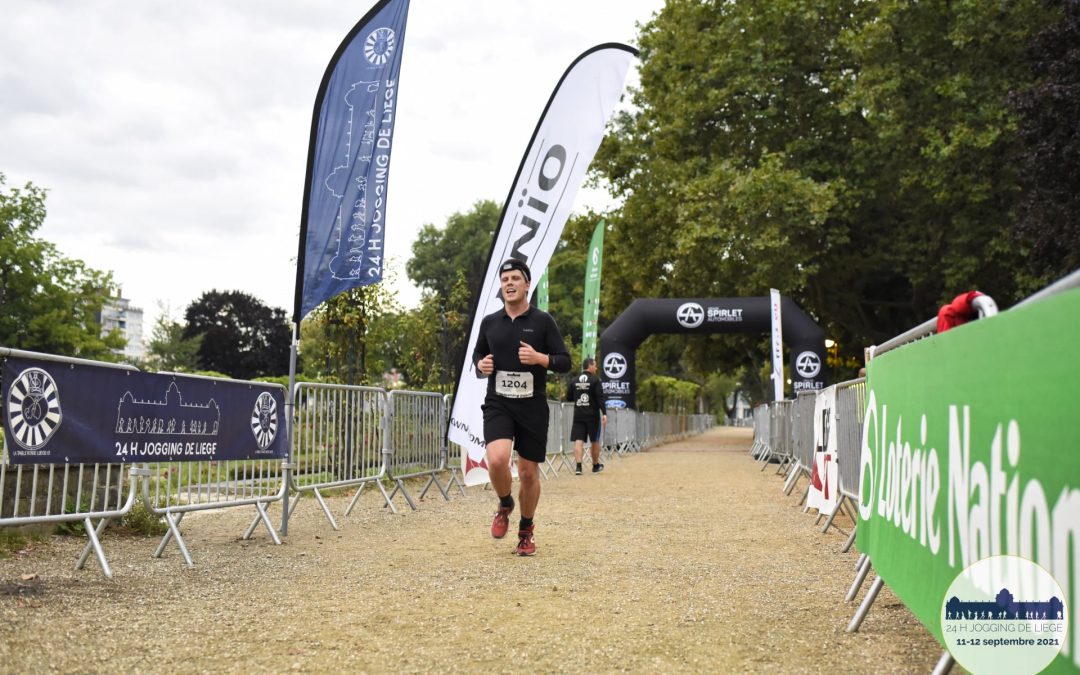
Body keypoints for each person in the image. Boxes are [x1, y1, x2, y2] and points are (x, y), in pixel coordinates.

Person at [473, 258, 570, 556]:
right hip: (499, 403)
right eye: (505, 280)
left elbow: (564, 362)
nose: (510, 283)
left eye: (516, 278)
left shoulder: (543, 321)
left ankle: (526, 530)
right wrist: (481, 365)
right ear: (501, 288)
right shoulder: (490, 322)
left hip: (532, 406)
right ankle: (505, 503)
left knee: (528, 474)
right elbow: (477, 358)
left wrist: (541, 359)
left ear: (527, 285)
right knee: (498, 459)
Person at [566, 357, 607, 475]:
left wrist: (579, 397)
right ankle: (595, 466)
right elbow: (600, 398)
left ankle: (578, 467)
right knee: (594, 440)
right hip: (592, 415)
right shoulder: (595, 380)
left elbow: (569, 397)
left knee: (578, 440)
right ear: (590, 365)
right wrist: (604, 413)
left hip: (578, 415)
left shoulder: (574, 380)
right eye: (595, 365)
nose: (596, 367)